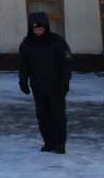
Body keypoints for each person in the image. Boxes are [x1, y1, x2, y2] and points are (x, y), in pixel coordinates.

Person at [18, 11, 72, 154]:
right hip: (38, 86)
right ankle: (48, 143)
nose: (38, 32)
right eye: (35, 30)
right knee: (43, 115)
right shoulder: (27, 43)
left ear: (46, 27)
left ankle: (60, 144)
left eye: (40, 29)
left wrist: (64, 81)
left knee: (58, 115)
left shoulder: (57, 41)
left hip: (56, 86)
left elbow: (67, 64)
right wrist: (22, 81)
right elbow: (23, 64)